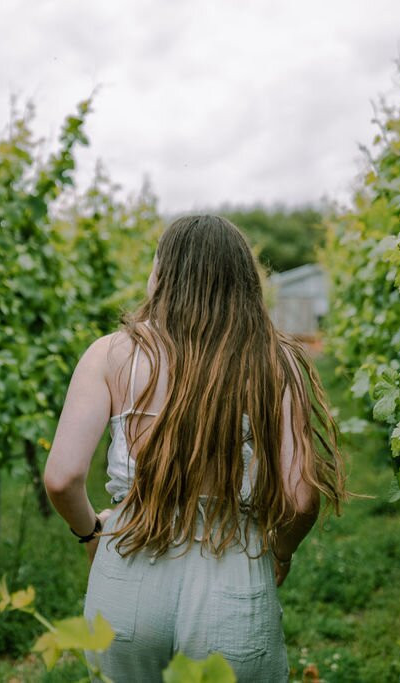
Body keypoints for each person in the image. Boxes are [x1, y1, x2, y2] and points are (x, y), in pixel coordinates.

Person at [44, 215, 345, 681]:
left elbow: (62, 478)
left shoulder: (108, 354)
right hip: (232, 573)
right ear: (244, 283)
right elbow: (302, 498)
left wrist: (92, 534)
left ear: (161, 275)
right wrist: (280, 552)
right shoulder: (274, 360)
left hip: (127, 566)